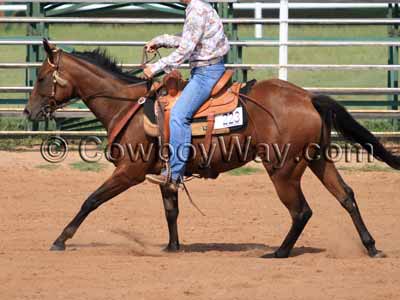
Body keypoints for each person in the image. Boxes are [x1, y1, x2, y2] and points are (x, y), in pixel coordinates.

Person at [143, 0, 230, 191]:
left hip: (206, 73)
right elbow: (188, 39)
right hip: (208, 68)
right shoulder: (199, 7)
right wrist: (161, 40)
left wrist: (156, 67)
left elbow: (185, 50)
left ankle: (175, 175)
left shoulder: (196, 10)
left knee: (178, 115)